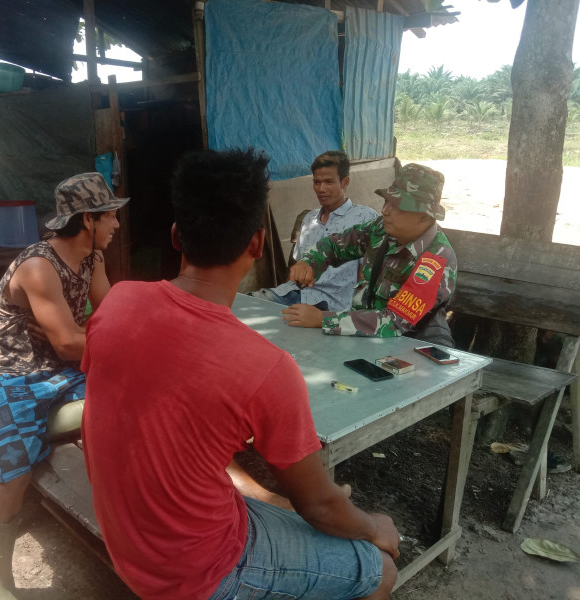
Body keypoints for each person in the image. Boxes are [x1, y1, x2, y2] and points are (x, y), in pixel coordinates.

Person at [81, 149, 399, 600]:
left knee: (284, 506)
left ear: (175, 236)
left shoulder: (117, 303)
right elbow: (322, 506)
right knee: (379, 569)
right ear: (256, 244)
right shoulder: (267, 368)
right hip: (199, 570)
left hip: (129, 540)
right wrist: (376, 527)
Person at [0, 172, 128, 600]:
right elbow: (72, 342)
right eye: (111, 217)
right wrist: (99, 336)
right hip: (2, 370)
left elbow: (109, 319)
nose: (117, 225)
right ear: (88, 220)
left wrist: (108, 333)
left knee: (132, 405)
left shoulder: (92, 260)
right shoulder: (38, 265)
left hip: (56, 367)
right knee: (13, 468)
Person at [283, 163, 457, 347]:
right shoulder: (381, 228)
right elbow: (335, 245)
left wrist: (323, 320)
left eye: (397, 205)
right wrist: (309, 262)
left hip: (408, 347)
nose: (385, 210)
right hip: (361, 334)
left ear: (424, 215)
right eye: (386, 201)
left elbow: (394, 323)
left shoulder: (435, 261)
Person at [250, 150, 378, 312]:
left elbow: (365, 275)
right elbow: (296, 267)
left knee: (252, 308)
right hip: (294, 295)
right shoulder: (309, 219)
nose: (321, 189)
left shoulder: (364, 217)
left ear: (345, 182)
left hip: (330, 304)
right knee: (247, 303)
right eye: (316, 182)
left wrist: (351, 318)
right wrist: (284, 289)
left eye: (329, 182)